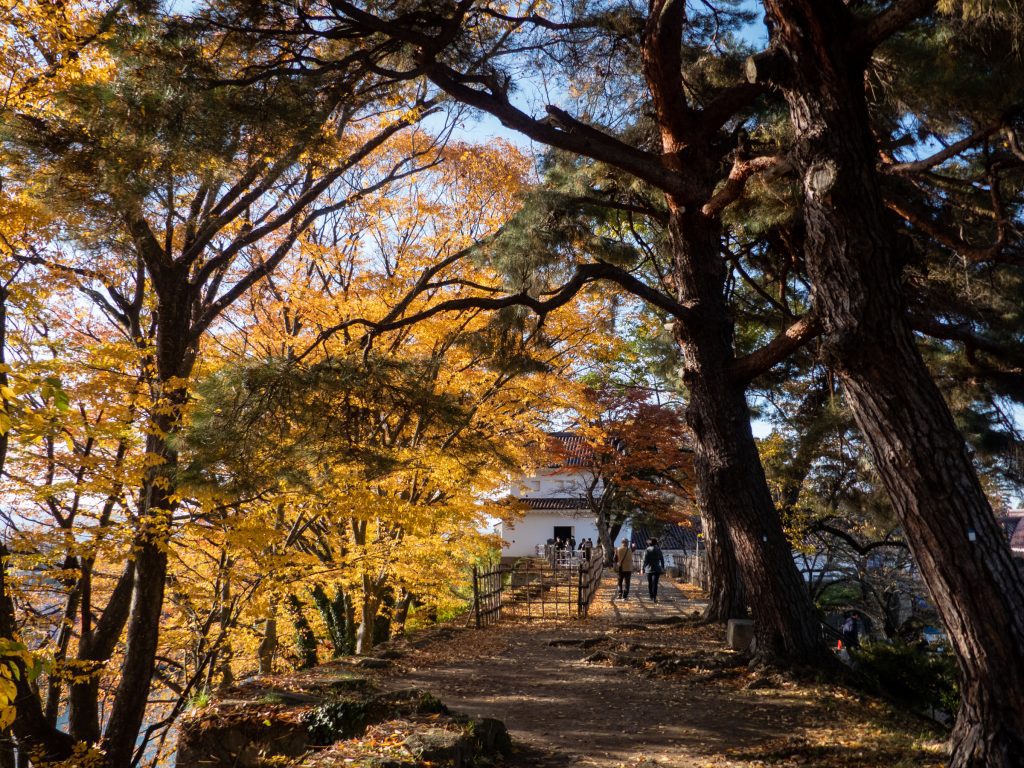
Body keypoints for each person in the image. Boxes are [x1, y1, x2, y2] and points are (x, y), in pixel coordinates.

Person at [642, 537, 665, 603]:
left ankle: (651, 596)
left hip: (648, 569)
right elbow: (662, 559)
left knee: (650, 583)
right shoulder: (658, 549)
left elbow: (644, 560)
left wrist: (642, 568)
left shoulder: (647, 550)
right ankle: (654, 597)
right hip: (657, 568)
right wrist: (662, 567)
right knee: (655, 583)